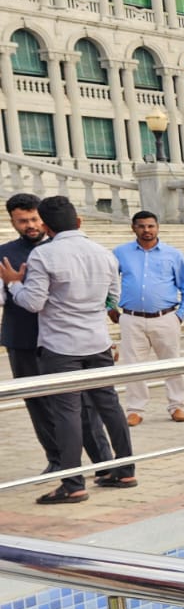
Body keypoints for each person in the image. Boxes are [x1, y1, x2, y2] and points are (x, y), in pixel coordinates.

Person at [0, 196, 136, 503]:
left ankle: (73, 484)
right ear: (79, 221)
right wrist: (90, 309)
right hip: (97, 341)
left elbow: (34, 302)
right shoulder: (104, 253)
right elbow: (113, 299)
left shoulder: (44, 255)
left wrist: (13, 284)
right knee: (109, 405)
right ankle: (126, 470)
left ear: (47, 227)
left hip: (61, 346)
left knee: (67, 414)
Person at [112, 211, 184, 425]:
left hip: (165, 317)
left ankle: (177, 406)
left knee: (172, 362)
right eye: (141, 226)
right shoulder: (120, 253)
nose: (146, 230)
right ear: (133, 228)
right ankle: (135, 409)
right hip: (132, 318)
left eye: (151, 226)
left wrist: (180, 315)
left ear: (157, 227)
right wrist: (109, 307)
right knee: (133, 365)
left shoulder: (173, 254)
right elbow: (106, 282)